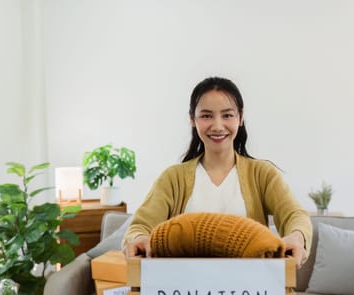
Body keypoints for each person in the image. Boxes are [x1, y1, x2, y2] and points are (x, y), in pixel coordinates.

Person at [123, 77, 312, 267]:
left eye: (227, 115)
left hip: (248, 289)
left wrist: (297, 236)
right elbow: (140, 226)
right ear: (192, 119)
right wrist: (139, 237)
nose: (218, 125)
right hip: (185, 290)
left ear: (240, 117)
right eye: (206, 116)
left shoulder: (262, 174)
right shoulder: (173, 179)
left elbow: (295, 215)